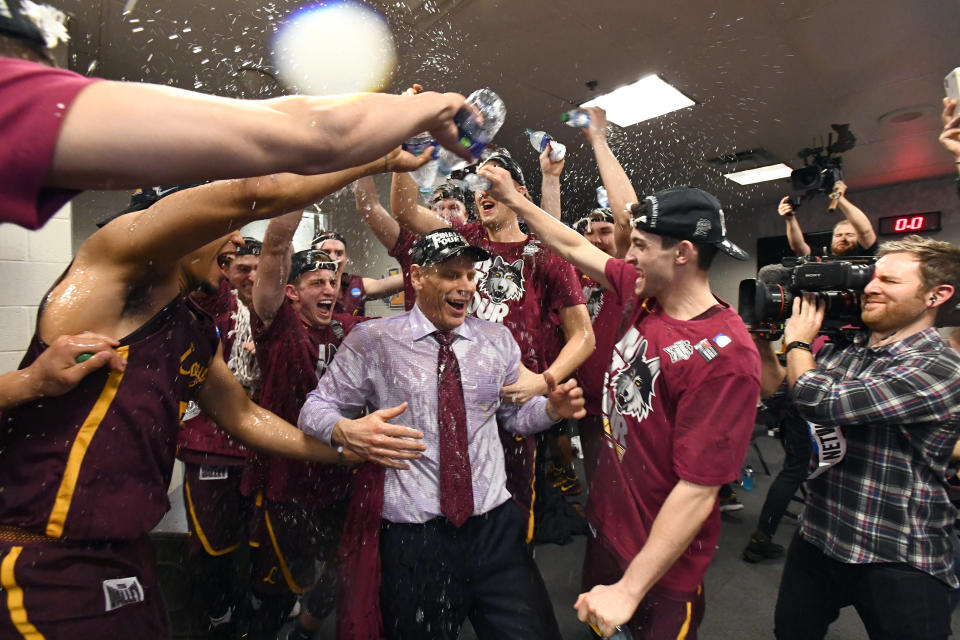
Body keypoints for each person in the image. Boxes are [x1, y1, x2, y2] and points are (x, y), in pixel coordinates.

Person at [0, 154, 429, 636]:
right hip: (47, 553)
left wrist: (341, 447)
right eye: (221, 231)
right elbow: (261, 199)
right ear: (176, 231)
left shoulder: (193, 330)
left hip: (126, 552)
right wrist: (30, 382)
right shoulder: (109, 281)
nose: (231, 244)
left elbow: (244, 415)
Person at [478, 162, 761, 639]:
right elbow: (570, 244)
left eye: (642, 247)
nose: (629, 256)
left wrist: (631, 589)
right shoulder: (642, 291)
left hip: (659, 565)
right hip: (609, 529)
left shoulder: (726, 356)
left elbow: (698, 491)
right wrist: (515, 200)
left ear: (684, 254)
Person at [298, 228, 587, 640]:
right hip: (414, 538)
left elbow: (513, 420)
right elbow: (314, 409)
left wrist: (550, 411)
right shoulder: (374, 341)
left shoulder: (496, 341)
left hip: (494, 530)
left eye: (470, 275)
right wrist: (346, 430)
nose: (466, 286)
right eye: (451, 274)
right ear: (416, 277)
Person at [0, 0, 470, 232]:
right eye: (39, 71)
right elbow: (310, 136)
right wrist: (431, 105)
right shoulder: (11, 96)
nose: (45, 80)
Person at [760, 234, 960, 640]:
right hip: (820, 534)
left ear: (936, 295)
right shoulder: (846, 348)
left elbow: (821, 401)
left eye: (890, 281)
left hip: (898, 553)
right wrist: (764, 338)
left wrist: (799, 341)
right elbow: (781, 393)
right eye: (873, 277)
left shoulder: (939, 367)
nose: (870, 287)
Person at [390, 149, 593, 537]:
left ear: (518, 192)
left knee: (510, 518)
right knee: (444, 511)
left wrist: (541, 382)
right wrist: (408, 150)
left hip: (514, 410)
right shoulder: (461, 241)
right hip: (450, 399)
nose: (483, 189)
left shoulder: (544, 254)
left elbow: (584, 335)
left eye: (495, 182)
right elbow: (404, 209)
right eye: (479, 183)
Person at [243, 212, 366, 639]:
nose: (329, 290)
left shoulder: (348, 330)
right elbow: (276, 247)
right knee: (276, 590)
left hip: (337, 477)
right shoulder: (279, 326)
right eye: (317, 282)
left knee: (342, 568)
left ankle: (305, 633)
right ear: (291, 292)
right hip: (288, 482)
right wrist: (297, 181)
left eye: (333, 282)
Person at [175, 236, 262, 637]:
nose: (252, 276)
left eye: (260, 268)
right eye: (242, 267)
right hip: (212, 446)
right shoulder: (218, 301)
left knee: (263, 540)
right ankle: (218, 615)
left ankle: (263, 608)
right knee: (215, 545)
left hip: (265, 448)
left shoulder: (283, 311)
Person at [354, 176, 469, 312]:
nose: (444, 214)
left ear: (466, 215)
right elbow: (369, 206)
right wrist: (359, 164)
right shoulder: (412, 247)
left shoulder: (480, 244)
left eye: (453, 208)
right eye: (438, 209)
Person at [311, 230, 403, 316]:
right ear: (314, 258)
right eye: (326, 252)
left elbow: (403, 280)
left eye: (339, 253)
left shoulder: (354, 285)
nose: (333, 258)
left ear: (346, 259)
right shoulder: (304, 288)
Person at [778, 180, 878, 257]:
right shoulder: (823, 259)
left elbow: (865, 231)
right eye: (838, 235)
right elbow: (798, 246)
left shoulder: (866, 255)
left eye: (849, 235)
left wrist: (839, 198)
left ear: (859, 239)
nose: (843, 238)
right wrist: (790, 219)